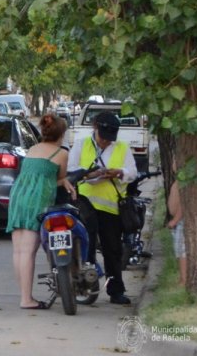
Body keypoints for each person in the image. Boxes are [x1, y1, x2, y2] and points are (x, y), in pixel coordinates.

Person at [67, 111, 137, 305]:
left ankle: (116, 291)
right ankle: (84, 287)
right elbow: (71, 170)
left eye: (109, 140)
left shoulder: (122, 147)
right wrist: (88, 175)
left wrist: (119, 172)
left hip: (110, 206)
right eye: (103, 138)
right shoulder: (81, 145)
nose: (106, 142)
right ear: (95, 128)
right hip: (85, 203)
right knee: (85, 248)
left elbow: (132, 172)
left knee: (112, 249)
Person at [7, 114, 75, 309]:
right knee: (29, 252)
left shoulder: (32, 149)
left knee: (18, 251)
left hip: (18, 196)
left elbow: (38, 175)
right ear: (61, 134)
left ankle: (24, 295)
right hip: (37, 199)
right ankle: (26, 300)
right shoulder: (61, 153)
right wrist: (66, 182)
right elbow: (58, 178)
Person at [167, 159, 186, 286]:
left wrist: (175, 220)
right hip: (179, 222)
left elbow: (184, 203)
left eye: (176, 159)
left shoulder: (185, 180)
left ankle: (184, 279)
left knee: (183, 251)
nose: (173, 162)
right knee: (179, 251)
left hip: (182, 221)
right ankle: (182, 277)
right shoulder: (181, 179)